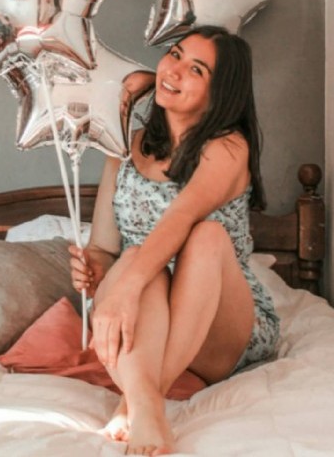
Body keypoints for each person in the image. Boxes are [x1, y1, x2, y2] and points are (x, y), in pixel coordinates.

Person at [68, 28, 278, 456]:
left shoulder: (228, 149)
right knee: (133, 257)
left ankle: (139, 402)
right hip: (145, 306)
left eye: (196, 70)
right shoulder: (126, 146)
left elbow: (180, 218)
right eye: (175, 55)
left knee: (206, 236)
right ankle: (146, 403)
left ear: (220, 94)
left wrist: (124, 290)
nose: (175, 70)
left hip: (218, 320)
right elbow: (104, 247)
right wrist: (93, 270)